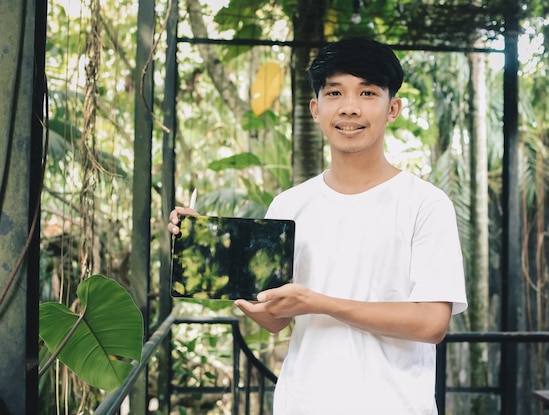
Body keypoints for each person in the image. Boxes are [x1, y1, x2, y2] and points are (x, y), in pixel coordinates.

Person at [168, 37, 467, 415]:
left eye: (368, 92)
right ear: (315, 107)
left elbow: (431, 324)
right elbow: (275, 319)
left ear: (393, 108)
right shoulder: (290, 205)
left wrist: (320, 303)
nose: (350, 108)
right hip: (303, 403)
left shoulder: (425, 204)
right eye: (335, 92)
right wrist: (214, 250)